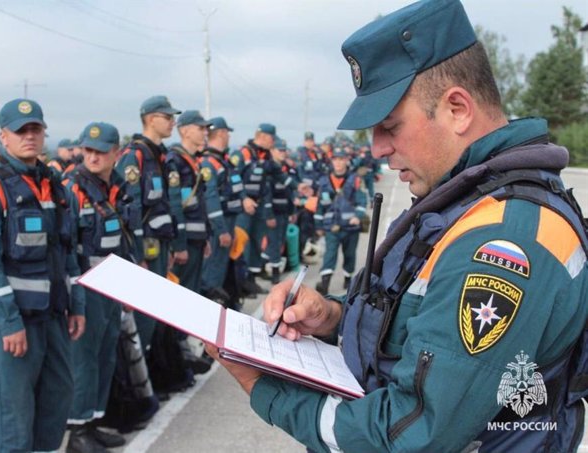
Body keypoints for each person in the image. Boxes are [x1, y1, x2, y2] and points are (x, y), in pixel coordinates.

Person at [209, 1, 588, 452]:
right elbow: (416, 327)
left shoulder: (503, 242)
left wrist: (265, 389)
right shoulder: (461, 201)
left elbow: (414, 434)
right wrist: (332, 317)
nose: (377, 150)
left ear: (457, 109)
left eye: (389, 126)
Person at [0, 99, 86, 453]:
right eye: (21, 130)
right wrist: (9, 323)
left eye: (35, 129)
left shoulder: (56, 186)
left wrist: (76, 305)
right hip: (15, 324)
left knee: (56, 405)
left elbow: (69, 253)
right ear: (4, 136)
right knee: (14, 419)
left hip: (54, 319)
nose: (29, 136)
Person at [64, 122, 128, 453]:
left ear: (116, 153)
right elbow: (65, 245)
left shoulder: (116, 187)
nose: (93, 157)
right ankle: (77, 430)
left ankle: (94, 420)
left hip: (112, 285)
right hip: (85, 286)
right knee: (84, 358)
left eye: (100, 151)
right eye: (87, 150)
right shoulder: (72, 189)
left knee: (105, 353)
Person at [115, 95, 179, 351]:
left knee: (157, 311)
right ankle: (138, 379)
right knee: (144, 314)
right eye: (168, 117)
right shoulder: (135, 156)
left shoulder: (159, 156)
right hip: (145, 249)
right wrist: (137, 254)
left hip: (161, 245)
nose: (173, 122)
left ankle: (153, 372)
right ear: (151, 119)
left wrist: (172, 245)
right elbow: (131, 208)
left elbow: (165, 205)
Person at [199, 117, 254, 306]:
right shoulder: (208, 163)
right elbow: (211, 199)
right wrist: (221, 229)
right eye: (227, 133)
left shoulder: (224, 161)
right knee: (212, 271)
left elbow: (236, 186)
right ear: (221, 133)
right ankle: (207, 314)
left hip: (230, 221)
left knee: (223, 268)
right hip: (218, 225)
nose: (229, 136)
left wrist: (245, 198)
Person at [228, 123, 278, 295]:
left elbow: (267, 182)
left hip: (259, 205)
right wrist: (243, 198)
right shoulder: (243, 153)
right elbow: (233, 177)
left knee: (257, 242)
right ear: (263, 136)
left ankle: (252, 279)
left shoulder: (265, 155)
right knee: (244, 242)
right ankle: (240, 281)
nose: (273, 142)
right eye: (272, 138)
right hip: (244, 206)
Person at [166, 110, 212, 293]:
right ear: (184, 131)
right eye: (200, 128)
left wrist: (205, 236)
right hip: (184, 243)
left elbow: (198, 204)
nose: (205, 132)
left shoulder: (193, 161)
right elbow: (175, 207)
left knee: (193, 291)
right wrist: (179, 245)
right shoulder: (175, 160)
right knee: (180, 294)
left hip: (197, 240)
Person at [314, 148, 367, 294]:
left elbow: (362, 201)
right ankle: (324, 285)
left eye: (341, 159)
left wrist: (357, 216)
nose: (338, 162)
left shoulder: (355, 180)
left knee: (349, 254)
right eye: (335, 159)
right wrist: (318, 225)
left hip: (350, 227)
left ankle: (348, 279)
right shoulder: (324, 181)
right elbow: (319, 205)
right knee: (330, 254)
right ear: (332, 161)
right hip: (331, 227)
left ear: (346, 161)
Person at [265, 138, 299, 284]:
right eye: (280, 150)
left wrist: (292, 211)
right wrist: (269, 214)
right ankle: (274, 273)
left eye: (284, 150)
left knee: (279, 242)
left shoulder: (287, 168)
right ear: (272, 151)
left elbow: (290, 193)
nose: (283, 153)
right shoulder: (269, 169)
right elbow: (265, 194)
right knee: (273, 242)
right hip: (272, 212)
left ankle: (276, 267)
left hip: (285, 211)